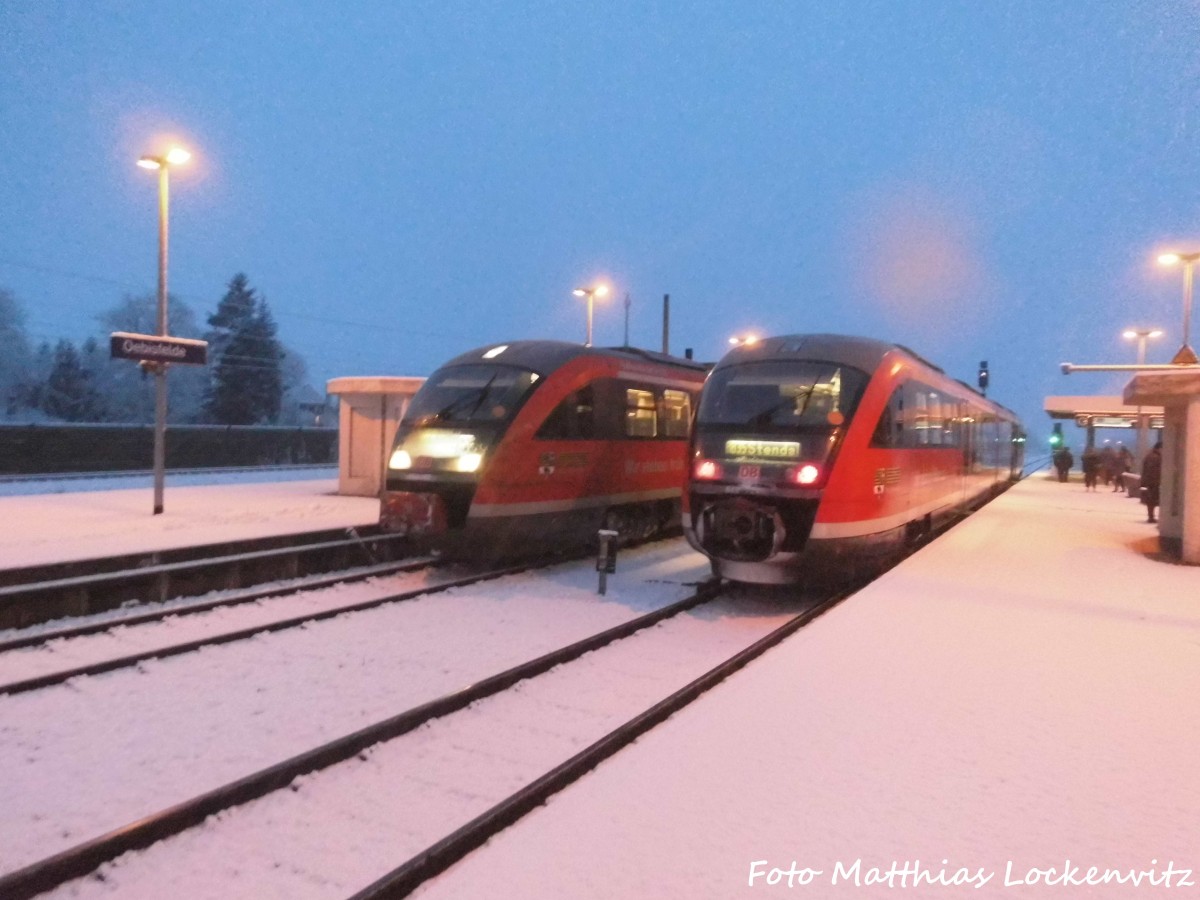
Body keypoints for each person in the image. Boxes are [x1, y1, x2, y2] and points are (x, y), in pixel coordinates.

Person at [1141, 440, 1163, 523]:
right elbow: (1153, 470)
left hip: (1151, 481)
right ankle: (1151, 517)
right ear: (1159, 448)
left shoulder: (1151, 456)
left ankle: (1151, 516)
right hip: (1153, 482)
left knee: (1152, 499)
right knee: (1152, 499)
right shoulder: (1155, 457)